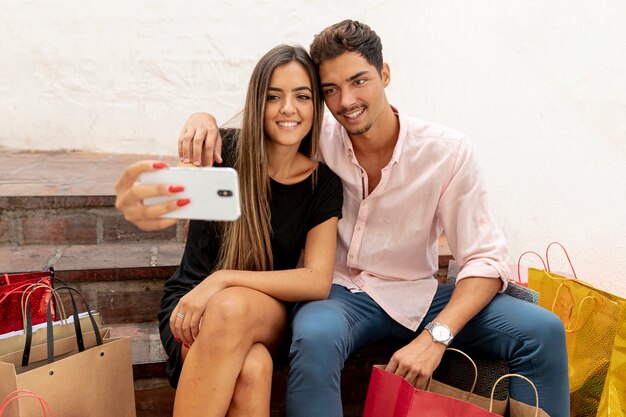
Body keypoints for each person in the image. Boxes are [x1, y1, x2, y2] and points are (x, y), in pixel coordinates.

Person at [139, 20, 570, 417]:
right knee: (314, 336)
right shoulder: (310, 138)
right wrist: (203, 119)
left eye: (358, 81)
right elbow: (248, 137)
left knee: (543, 329)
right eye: (330, 90)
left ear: (385, 74)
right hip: (339, 294)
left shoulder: (446, 151)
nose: (346, 102)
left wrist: (437, 336)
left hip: (416, 294)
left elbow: (484, 259)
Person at [114, 44, 343, 417]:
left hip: (259, 310)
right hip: (190, 306)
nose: (289, 109)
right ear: (257, 102)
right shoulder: (225, 155)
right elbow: (150, 197)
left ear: (316, 105)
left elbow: (317, 280)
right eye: (274, 97)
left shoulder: (323, 183)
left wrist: (222, 280)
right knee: (253, 369)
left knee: (231, 305)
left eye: (302, 96)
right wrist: (200, 118)